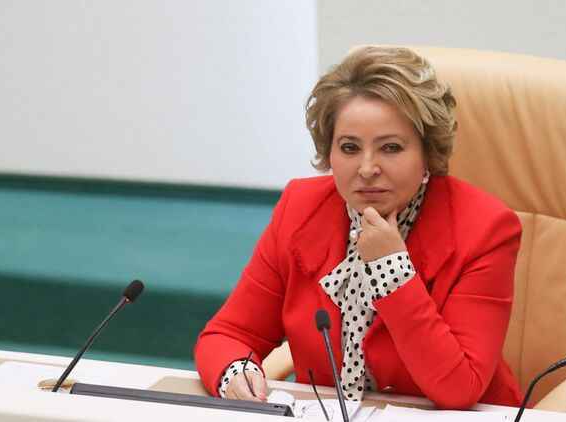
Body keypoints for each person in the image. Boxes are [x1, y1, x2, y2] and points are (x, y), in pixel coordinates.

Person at [194, 46, 523, 410]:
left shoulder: (486, 228)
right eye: (350, 148)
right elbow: (228, 334)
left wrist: (391, 270)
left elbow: (459, 388)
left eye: (391, 148)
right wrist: (234, 372)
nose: (367, 169)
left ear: (428, 152)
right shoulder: (300, 207)